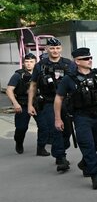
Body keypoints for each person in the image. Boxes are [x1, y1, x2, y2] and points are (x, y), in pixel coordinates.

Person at [54, 48, 97, 189]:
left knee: (96, 142)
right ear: (77, 61)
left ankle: (85, 163)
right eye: (86, 58)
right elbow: (59, 98)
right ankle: (95, 174)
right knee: (87, 144)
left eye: (90, 58)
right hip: (81, 116)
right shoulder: (69, 79)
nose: (90, 60)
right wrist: (58, 119)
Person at [28, 37, 74, 170]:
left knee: (67, 132)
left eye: (57, 48)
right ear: (47, 49)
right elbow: (33, 85)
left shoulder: (68, 64)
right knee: (56, 130)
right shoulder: (40, 65)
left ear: (61, 49)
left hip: (66, 102)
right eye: (52, 48)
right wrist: (30, 104)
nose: (55, 51)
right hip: (48, 102)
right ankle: (61, 158)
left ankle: (60, 150)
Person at [6, 53, 37, 154]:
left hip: (37, 103)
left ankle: (42, 146)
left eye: (31, 62)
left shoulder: (39, 74)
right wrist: (15, 103)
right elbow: (9, 90)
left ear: (35, 63)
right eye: (26, 62)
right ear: (23, 63)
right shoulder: (18, 75)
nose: (29, 64)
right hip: (22, 103)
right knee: (21, 128)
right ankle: (19, 142)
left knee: (44, 125)